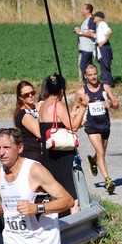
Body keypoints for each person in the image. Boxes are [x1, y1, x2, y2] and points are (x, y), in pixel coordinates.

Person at [38, 74, 88, 213]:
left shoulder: (43, 105)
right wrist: (83, 107)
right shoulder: (57, 104)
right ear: (61, 91)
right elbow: (74, 127)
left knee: (56, 192)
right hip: (62, 154)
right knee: (72, 194)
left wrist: (74, 112)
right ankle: (75, 224)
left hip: (48, 155)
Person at [73, 63, 119, 194]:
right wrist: (80, 116)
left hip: (105, 125)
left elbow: (116, 104)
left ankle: (93, 161)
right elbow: (74, 108)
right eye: (90, 75)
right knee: (101, 152)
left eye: (95, 74)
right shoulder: (81, 92)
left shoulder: (105, 88)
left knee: (101, 152)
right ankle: (108, 180)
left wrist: (109, 104)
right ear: (85, 76)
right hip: (91, 126)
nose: (93, 77)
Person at [13, 80, 41, 161]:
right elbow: (39, 133)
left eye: (32, 93)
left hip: (41, 151)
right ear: (20, 97)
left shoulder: (35, 108)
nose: (30, 96)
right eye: (26, 95)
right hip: (32, 154)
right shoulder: (24, 114)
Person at [73, 3, 97, 82]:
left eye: (83, 9)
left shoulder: (91, 20)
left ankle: (87, 83)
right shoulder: (86, 20)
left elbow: (91, 33)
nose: (81, 10)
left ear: (88, 10)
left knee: (83, 66)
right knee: (88, 66)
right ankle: (90, 82)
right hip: (84, 47)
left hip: (88, 48)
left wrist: (79, 32)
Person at [93, 11, 113, 86]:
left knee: (105, 64)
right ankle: (107, 82)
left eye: (94, 17)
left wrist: (104, 41)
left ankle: (107, 83)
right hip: (101, 47)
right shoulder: (98, 25)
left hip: (104, 47)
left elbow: (109, 32)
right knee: (103, 64)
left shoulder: (102, 24)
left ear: (98, 18)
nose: (93, 18)